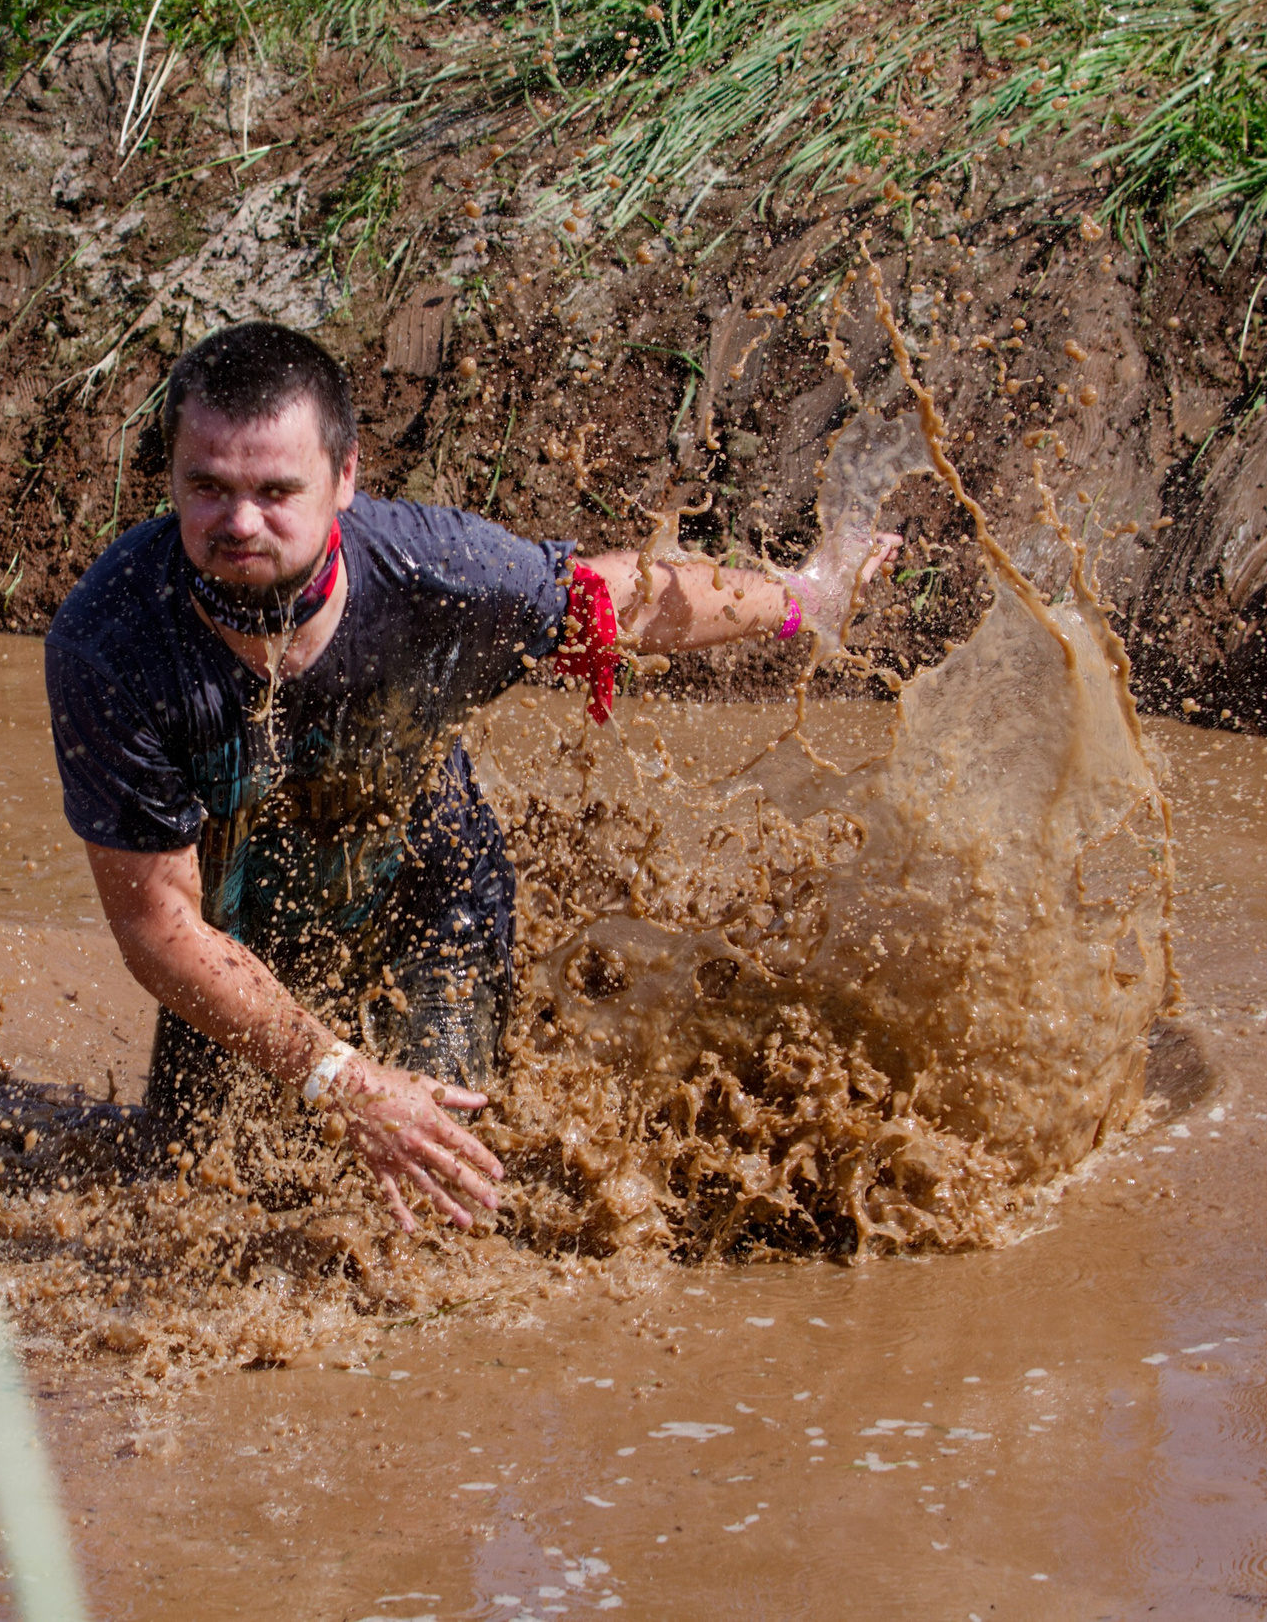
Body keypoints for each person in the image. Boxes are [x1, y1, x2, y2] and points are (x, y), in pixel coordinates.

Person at [44, 322, 894, 1234]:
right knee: (180, 1205)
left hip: (432, 914)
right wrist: (338, 1076)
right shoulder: (112, 643)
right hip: (239, 944)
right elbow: (158, 927)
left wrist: (808, 597)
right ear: (170, 475)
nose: (239, 522)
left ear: (345, 478)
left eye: (275, 491)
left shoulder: (437, 571)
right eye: (206, 487)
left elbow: (621, 604)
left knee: (442, 1220)